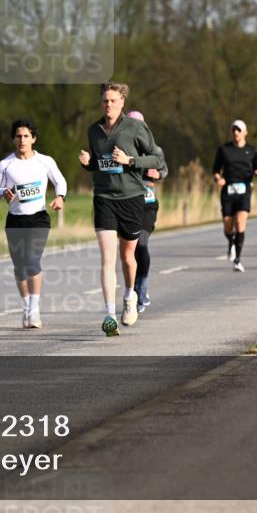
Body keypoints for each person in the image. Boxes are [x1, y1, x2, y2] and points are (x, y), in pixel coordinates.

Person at [78, 83, 162, 336]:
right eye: (105, 101)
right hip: (104, 198)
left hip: (131, 198)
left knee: (127, 258)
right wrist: (88, 163)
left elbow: (157, 159)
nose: (109, 105)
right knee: (106, 258)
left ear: (122, 102)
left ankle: (129, 296)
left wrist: (130, 161)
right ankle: (109, 315)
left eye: (113, 101)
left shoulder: (135, 128)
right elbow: (98, 163)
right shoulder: (94, 130)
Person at [0, 119, 67, 329]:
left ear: (33, 138)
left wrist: (60, 197)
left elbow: (60, 181)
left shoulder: (45, 161)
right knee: (19, 266)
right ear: (13, 139)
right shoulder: (6, 165)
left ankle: (34, 310)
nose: (22, 140)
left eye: (26, 136)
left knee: (32, 261)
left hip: (38, 218)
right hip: (15, 219)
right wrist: (3, 192)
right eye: (18, 136)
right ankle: (25, 306)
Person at [126, 111, 168, 313]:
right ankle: (132, 289)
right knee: (130, 250)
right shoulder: (122, 147)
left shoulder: (154, 149)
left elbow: (164, 169)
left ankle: (141, 286)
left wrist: (157, 173)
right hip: (127, 205)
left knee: (141, 244)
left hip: (147, 204)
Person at [213, 119, 257, 273]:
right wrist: (218, 179)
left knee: (240, 222)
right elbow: (216, 170)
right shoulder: (224, 150)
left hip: (244, 190)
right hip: (228, 190)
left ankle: (238, 260)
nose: (236, 133)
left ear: (245, 132)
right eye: (234, 130)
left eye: (239, 130)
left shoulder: (252, 150)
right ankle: (231, 242)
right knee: (228, 226)